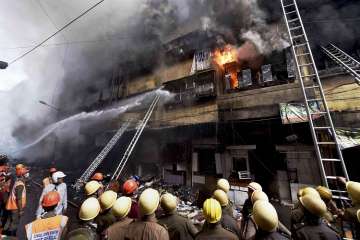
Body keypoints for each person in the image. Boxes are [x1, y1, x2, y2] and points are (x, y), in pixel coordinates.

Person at [4, 165, 29, 236]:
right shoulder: (20, 185)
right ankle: (10, 236)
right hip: (15, 207)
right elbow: (19, 198)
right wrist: (20, 210)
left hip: (11, 206)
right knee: (14, 223)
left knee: (9, 221)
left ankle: (4, 234)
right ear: (22, 174)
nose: (27, 174)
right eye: (26, 173)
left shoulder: (17, 181)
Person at [0, 155, 11, 227]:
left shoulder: (4, 173)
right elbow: (3, 188)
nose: (8, 166)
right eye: (6, 164)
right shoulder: (2, 173)